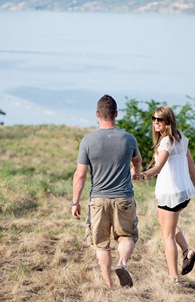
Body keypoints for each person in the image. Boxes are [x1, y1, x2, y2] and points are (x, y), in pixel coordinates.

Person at [71, 95, 143, 289]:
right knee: (126, 236)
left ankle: (109, 283)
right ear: (116, 114)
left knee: (101, 243)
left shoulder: (87, 141)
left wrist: (75, 202)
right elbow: (137, 160)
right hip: (124, 198)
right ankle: (122, 263)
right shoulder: (128, 138)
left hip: (98, 200)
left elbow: (80, 175)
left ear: (97, 114)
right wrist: (136, 171)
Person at [135, 105, 195, 283]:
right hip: (182, 192)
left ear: (168, 121)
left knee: (167, 235)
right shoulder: (180, 137)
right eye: (154, 119)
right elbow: (191, 165)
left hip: (171, 194)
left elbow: (158, 168)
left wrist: (140, 176)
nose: (156, 122)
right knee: (165, 224)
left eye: (160, 120)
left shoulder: (167, 142)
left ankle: (173, 277)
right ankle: (188, 252)